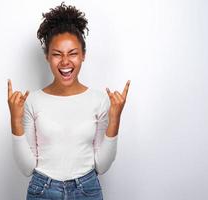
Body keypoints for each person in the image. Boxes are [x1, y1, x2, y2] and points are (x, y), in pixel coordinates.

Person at [7, 2, 130, 200]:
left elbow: (102, 166)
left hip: (87, 190)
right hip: (43, 190)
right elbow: (27, 168)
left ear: (83, 56)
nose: (65, 62)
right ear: (47, 56)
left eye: (72, 53)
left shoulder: (99, 100)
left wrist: (115, 119)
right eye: (57, 54)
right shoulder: (32, 101)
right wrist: (15, 120)